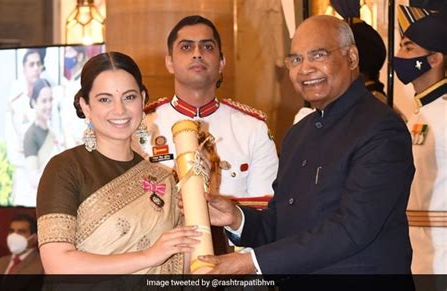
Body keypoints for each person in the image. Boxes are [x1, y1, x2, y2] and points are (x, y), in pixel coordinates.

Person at [196, 15, 414, 274]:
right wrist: (236, 218)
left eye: (318, 55)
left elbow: (351, 229)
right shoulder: (298, 134)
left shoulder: (381, 129)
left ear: (352, 58)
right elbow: (281, 223)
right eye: (296, 59)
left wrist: (251, 262)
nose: (305, 69)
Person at [36, 51, 201, 274]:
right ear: (85, 106)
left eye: (129, 97)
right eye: (105, 99)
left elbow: (183, 261)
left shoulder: (163, 178)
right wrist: (147, 256)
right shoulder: (65, 169)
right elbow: (58, 264)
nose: (120, 110)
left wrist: (199, 191)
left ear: (142, 99)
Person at [136, 15, 278, 207]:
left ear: (221, 62)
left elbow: (264, 213)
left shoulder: (253, 129)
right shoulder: (142, 125)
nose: (197, 53)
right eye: (186, 47)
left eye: (207, 46)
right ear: (169, 62)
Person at [394, 4, 447, 274]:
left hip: (441, 256)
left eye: (408, 48)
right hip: (416, 254)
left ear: (435, 59)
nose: (399, 56)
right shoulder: (418, 114)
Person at [5, 49, 45, 206]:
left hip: (47, 179)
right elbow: (14, 148)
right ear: (24, 68)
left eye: (38, 64)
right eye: (31, 64)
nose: (36, 68)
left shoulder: (50, 99)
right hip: (24, 180)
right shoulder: (16, 102)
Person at [23, 79, 59, 193]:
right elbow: (33, 179)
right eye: (44, 101)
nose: (49, 105)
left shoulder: (53, 132)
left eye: (50, 100)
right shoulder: (31, 135)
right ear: (34, 103)